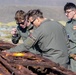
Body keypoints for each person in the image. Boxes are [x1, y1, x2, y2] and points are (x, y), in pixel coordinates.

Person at [64, 2, 76, 72]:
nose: (66, 14)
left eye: (68, 12)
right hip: (70, 55)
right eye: (65, 12)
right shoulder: (68, 25)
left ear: (74, 11)